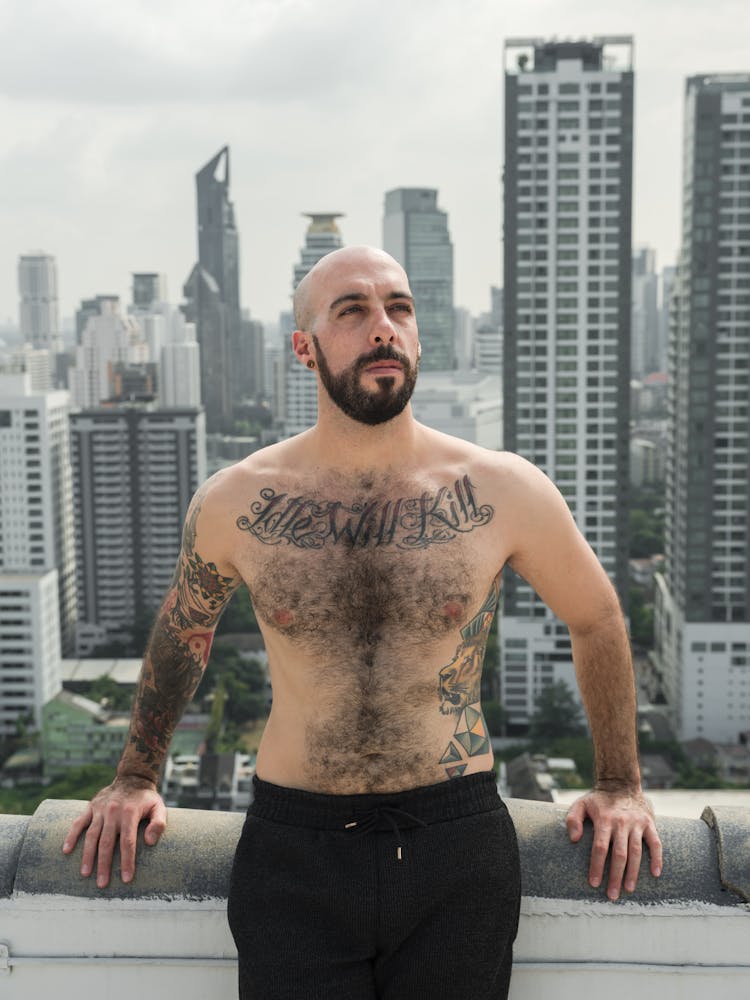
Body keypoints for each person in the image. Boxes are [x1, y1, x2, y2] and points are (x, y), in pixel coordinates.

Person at [64, 245, 662, 999]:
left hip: (457, 844)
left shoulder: (504, 489)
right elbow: (186, 630)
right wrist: (134, 777)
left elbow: (598, 616)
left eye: (399, 309)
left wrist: (619, 784)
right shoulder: (237, 501)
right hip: (295, 850)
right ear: (303, 348)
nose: (383, 327)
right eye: (353, 311)